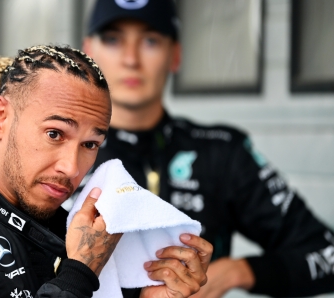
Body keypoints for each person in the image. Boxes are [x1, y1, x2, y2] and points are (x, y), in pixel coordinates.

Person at [0, 45, 213, 298]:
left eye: (90, 144)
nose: (71, 168)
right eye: (55, 134)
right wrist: (79, 275)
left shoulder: (71, 228)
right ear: (0, 118)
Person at [77, 0, 334, 297]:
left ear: (175, 55)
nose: (131, 59)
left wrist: (234, 272)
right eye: (112, 39)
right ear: (89, 53)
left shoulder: (222, 152)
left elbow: (326, 252)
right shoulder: (59, 153)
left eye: (150, 40)